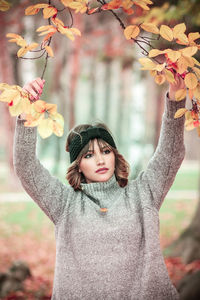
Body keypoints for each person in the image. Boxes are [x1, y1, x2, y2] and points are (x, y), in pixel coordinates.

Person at [14, 74, 186, 300]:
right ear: (78, 166)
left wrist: (175, 99)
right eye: (89, 155)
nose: (100, 160)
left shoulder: (143, 193)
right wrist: (27, 111)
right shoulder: (65, 204)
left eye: (106, 151)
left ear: (115, 156)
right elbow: (26, 167)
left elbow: (169, 153)